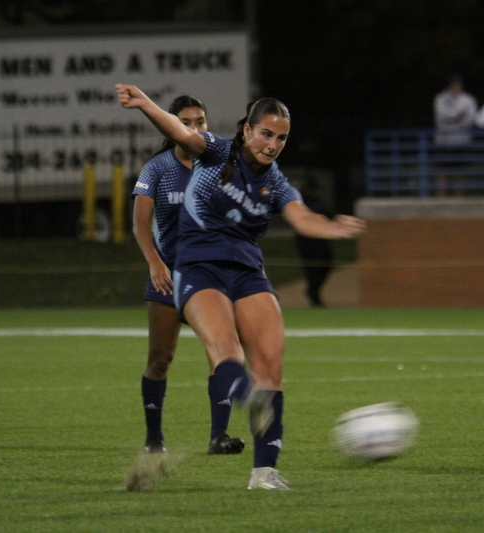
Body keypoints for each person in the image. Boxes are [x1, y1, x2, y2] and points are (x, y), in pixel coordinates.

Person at [116, 83, 367, 490]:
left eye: (281, 137)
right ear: (247, 131)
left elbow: (302, 219)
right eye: (266, 133)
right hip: (198, 268)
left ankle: (264, 473)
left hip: (248, 271)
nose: (273, 144)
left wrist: (333, 228)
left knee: (271, 362)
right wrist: (145, 103)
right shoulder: (216, 151)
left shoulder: (277, 182)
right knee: (225, 349)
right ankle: (249, 400)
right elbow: (180, 133)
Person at [131, 95, 246, 456]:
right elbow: (139, 224)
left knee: (223, 351)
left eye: (201, 121)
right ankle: (154, 439)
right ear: (172, 125)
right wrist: (154, 262)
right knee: (161, 359)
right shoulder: (158, 169)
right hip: (168, 277)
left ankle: (219, 436)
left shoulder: (221, 165)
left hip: (210, 276)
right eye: (187, 121)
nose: (195, 128)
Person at [434, 74, 478, 195]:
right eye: (453, 84)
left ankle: (459, 194)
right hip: (444, 140)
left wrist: (455, 119)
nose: (456, 86)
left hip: (461, 140)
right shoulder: (441, 98)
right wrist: (457, 117)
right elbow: (441, 116)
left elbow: (470, 118)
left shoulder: (468, 99)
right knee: (442, 169)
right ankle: (441, 195)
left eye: (458, 84)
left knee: (460, 170)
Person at [294, 178, 334, 308]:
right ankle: (314, 297)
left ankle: (312, 291)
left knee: (327, 265)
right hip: (308, 243)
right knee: (312, 270)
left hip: (321, 240)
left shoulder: (317, 202)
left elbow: (328, 216)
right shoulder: (301, 203)